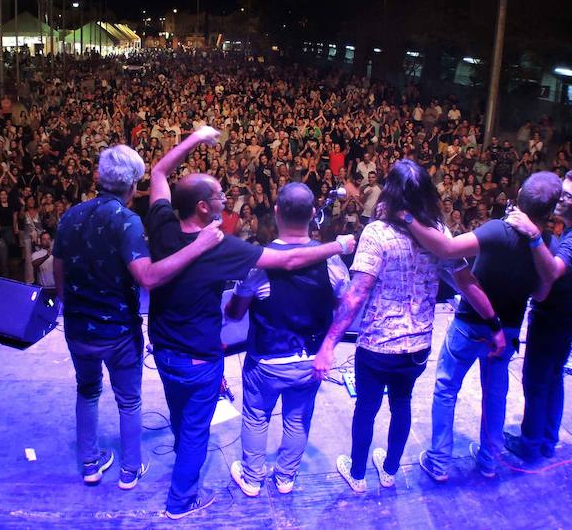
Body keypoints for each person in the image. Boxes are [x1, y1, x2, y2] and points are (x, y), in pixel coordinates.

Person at [146, 126, 356, 520]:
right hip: (240, 358)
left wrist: (193, 138)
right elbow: (301, 268)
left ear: (276, 212)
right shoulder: (222, 246)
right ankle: (261, 483)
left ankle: (252, 476)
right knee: (286, 419)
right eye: (220, 197)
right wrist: (339, 246)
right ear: (204, 208)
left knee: (220, 418)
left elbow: (158, 173)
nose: (227, 200)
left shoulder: (161, 226)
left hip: (172, 352)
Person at [312, 159, 495, 494]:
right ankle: (390, 470)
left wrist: (328, 345)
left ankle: (357, 474)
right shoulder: (439, 233)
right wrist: (494, 322)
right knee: (402, 403)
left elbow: (356, 295)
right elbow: (466, 282)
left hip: (377, 346)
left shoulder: (376, 233)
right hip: (417, 347)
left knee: (366, 407)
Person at [52, 144, 224, 489]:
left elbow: (58, 271)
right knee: (128, 400)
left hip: (77, 328)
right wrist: (199, 246)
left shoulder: (70, 215)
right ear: (132, 186)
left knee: (86, 391)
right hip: (117, 331)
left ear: (98, 177)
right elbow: (147, 277)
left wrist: (71, 303)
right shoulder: (127, 221)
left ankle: (90, 463)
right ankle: (130, 470)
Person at [399, 172, 562, 479]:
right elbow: (541, 292)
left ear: (520, 195)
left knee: (447, 389)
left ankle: (440, 463)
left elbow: (447, 249)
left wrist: (407, 217)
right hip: (509, 329)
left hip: (471, 323)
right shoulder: (546, 244)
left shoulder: (499, 230)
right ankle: (488, 461)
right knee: (495, 395)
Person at [225, 183, 351, 497]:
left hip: (266, 362)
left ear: (277, 212)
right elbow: (344, 308)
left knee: (256, 417)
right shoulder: (332, 262)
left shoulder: (259, 263)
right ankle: (285, 478)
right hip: (310, 362)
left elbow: (236, 314)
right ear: (312, 214)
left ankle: (252, 479)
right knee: (298, 418)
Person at [504, 169, 572, 462]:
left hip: (553, 319)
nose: (559, 199)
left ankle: (530, 445)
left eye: (567, 196)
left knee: (535, 379)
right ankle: (548, 438)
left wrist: (535, 236)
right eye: (561, 191)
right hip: (571, 317)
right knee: (553, 377)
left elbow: (552, 272)